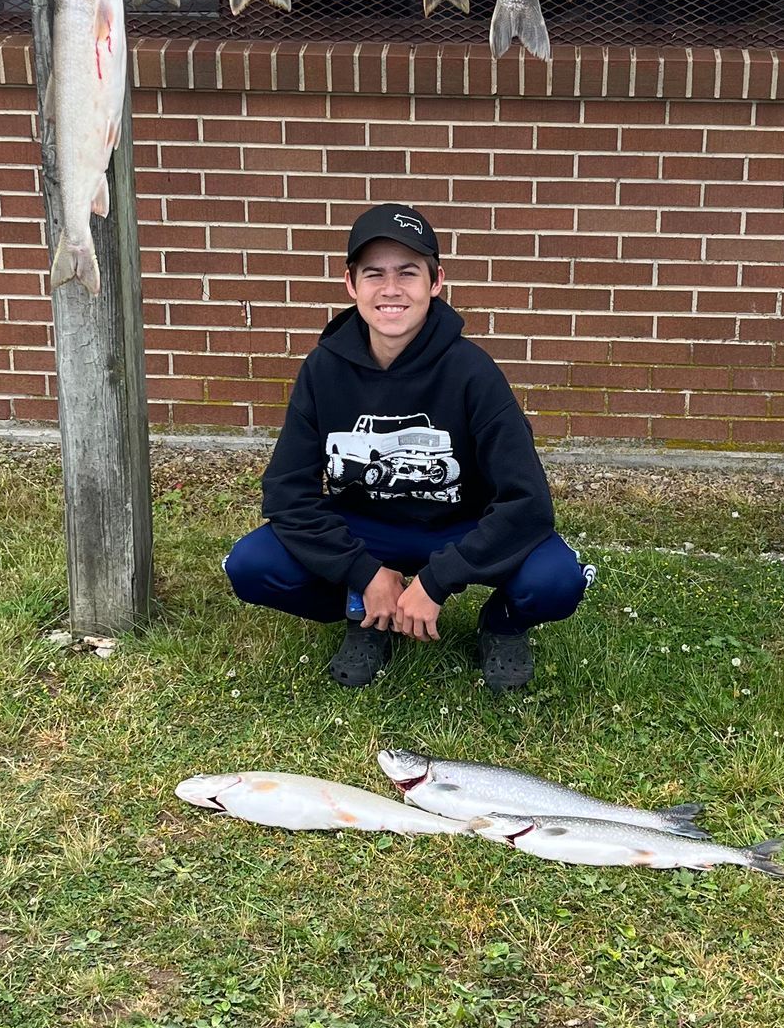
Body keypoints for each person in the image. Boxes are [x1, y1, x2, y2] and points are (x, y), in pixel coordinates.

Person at [223, 204, 588, 691]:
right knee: (252, 566)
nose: (391, 289)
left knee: (556, 579)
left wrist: (439, 580)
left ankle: (502, 626)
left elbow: (528, 503)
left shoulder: (472, 372)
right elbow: (288, 493)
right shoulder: (323, 370)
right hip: (366, 527)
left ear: (435, 282)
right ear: (351, 284)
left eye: (408, 273)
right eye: (374, 273)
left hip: (457, 525)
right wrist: (364, 572)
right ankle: (367, 612)